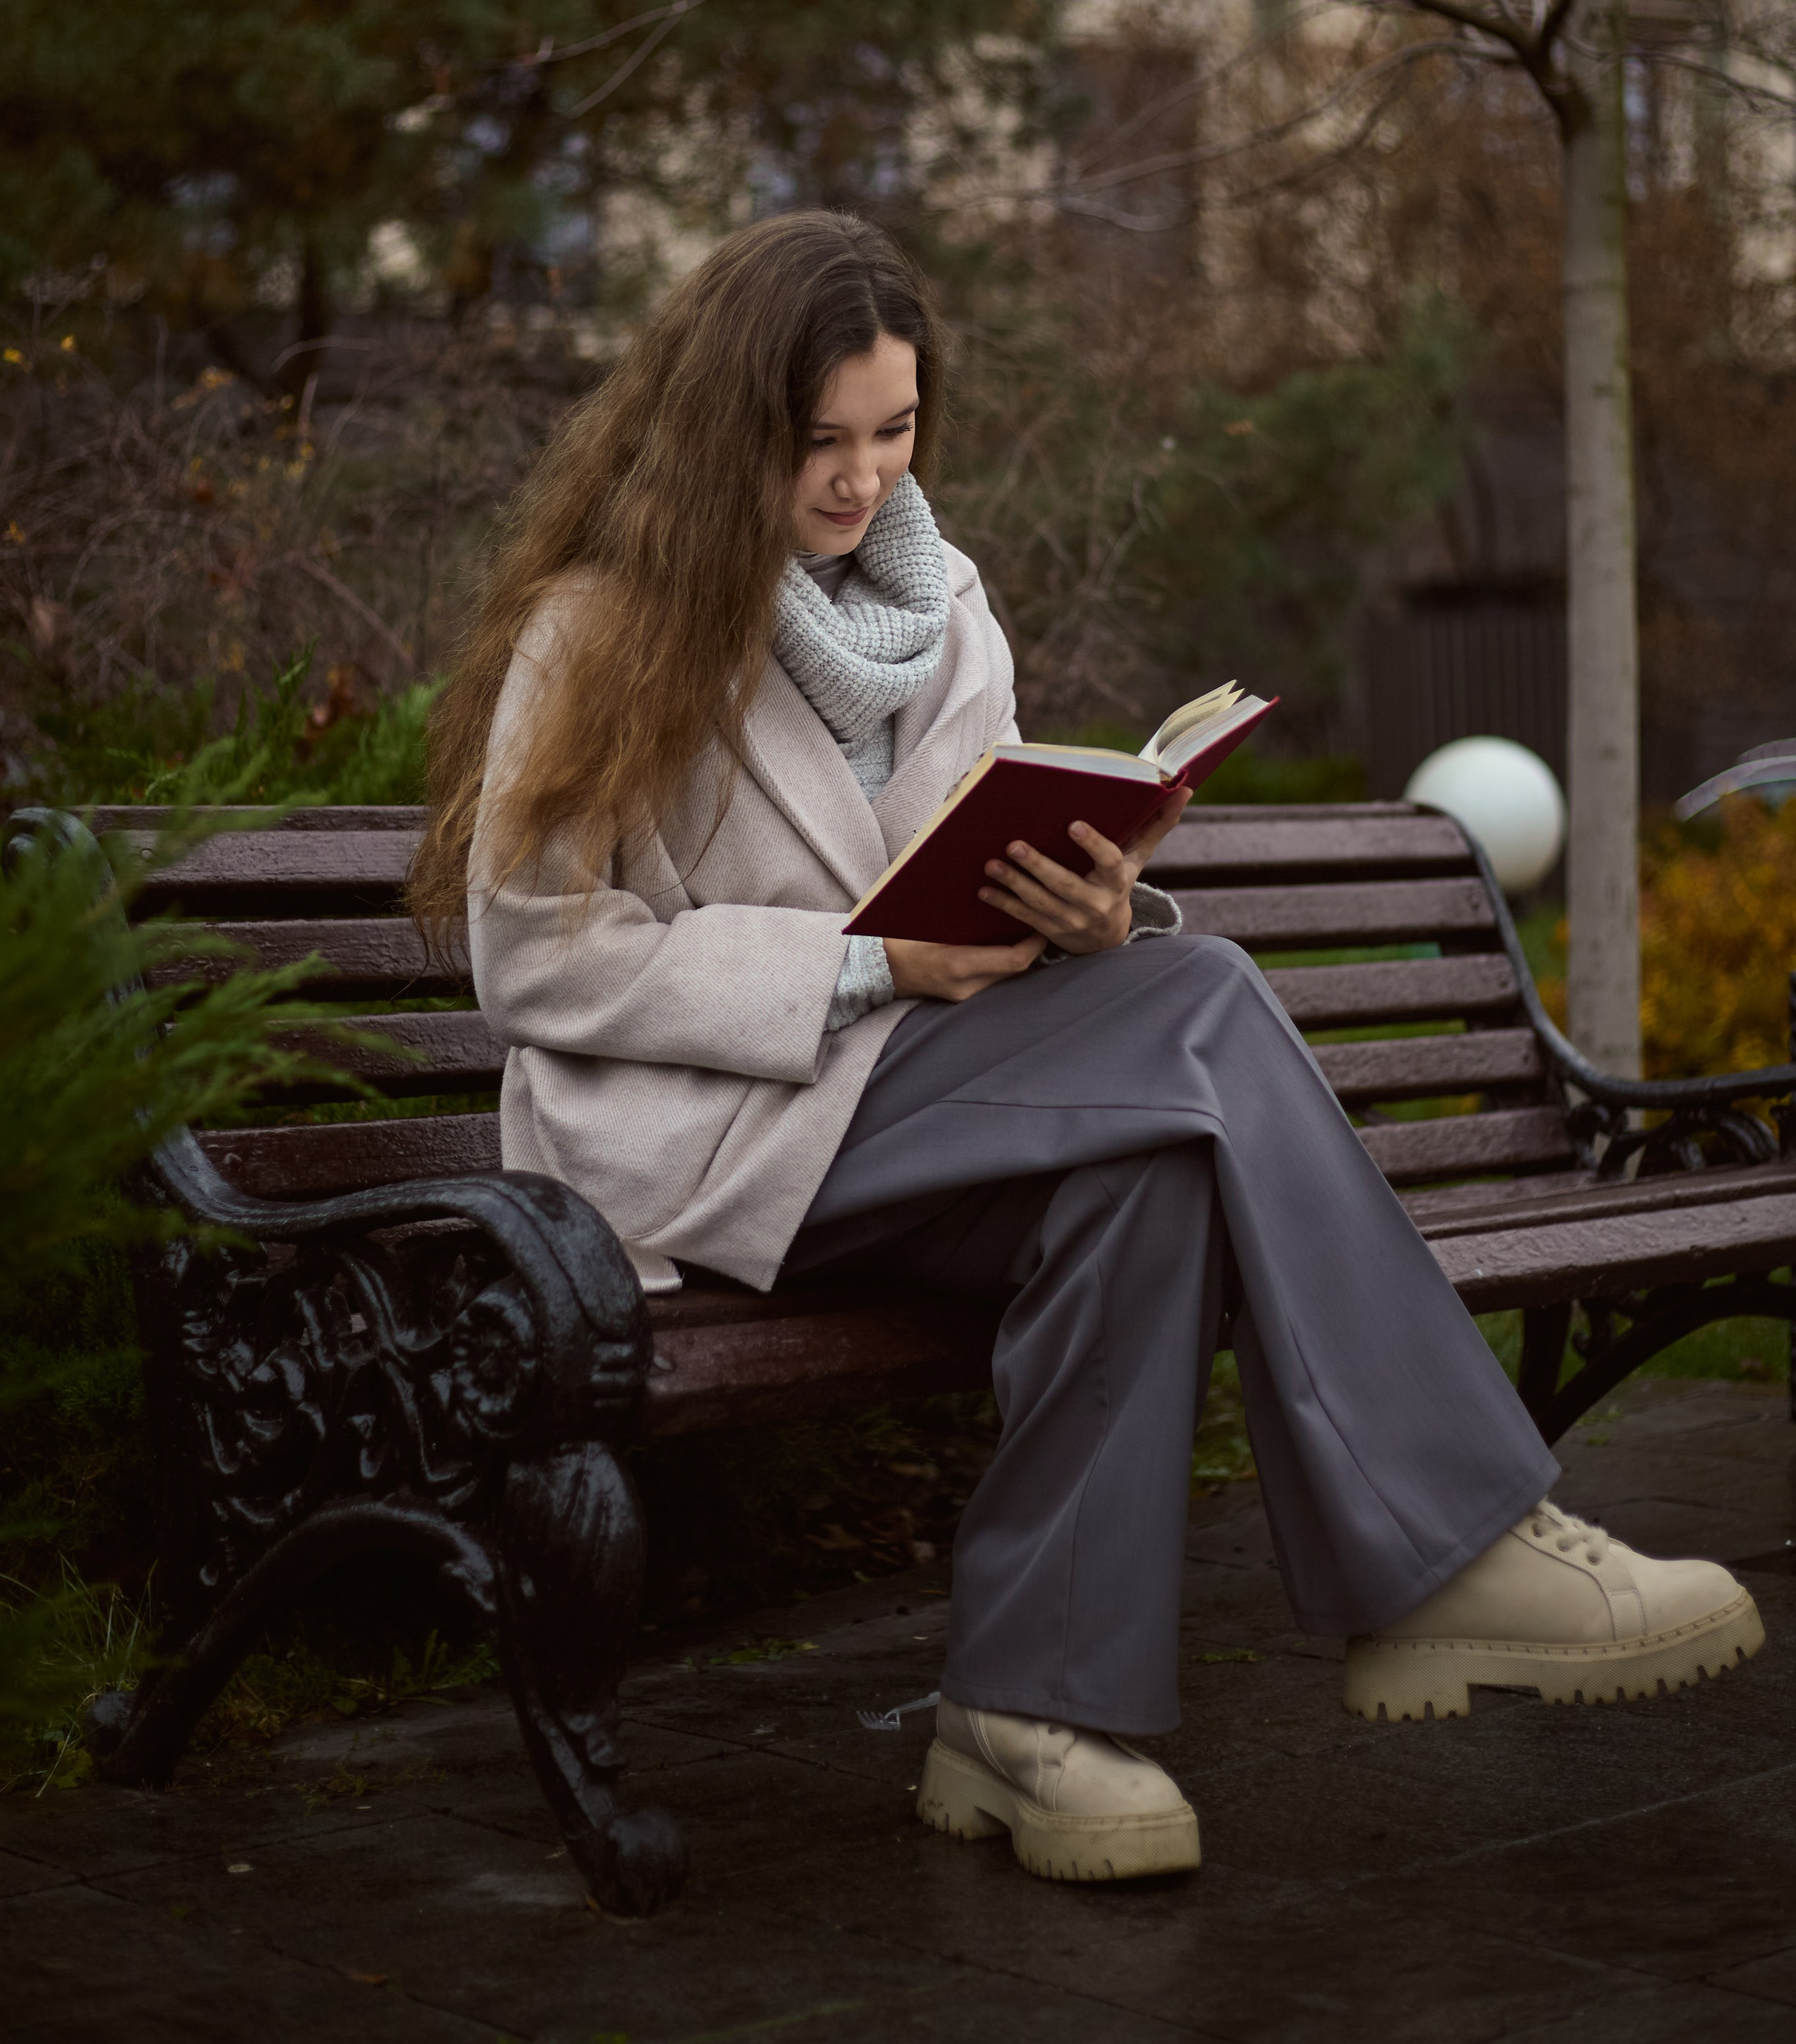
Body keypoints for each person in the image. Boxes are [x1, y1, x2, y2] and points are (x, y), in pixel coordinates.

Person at [415, 211, 1764, 1888]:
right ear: (720, 429)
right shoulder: (603, 623)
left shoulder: (942, 611)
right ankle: (1448, 1548)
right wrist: (862, 963)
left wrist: (1086, 910)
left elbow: (966, 886)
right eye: (815, 440)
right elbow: (529, 949)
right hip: (709, 1146)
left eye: (892, 429)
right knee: (1199, 1011)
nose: (857, 478)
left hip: (921, 1099)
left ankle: (1021, 1713)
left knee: (1134, 1169)